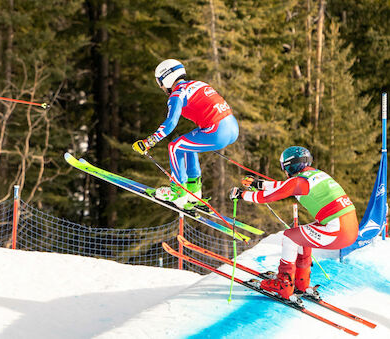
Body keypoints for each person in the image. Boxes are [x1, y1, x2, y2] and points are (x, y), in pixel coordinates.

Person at [229, 146, 359, 299]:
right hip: (349, 228)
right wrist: (258, 184)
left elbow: (267, 197)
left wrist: (241, 194)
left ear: (289, 166)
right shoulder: (317, 175)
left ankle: (283, 285)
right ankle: (301, 283)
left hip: (337, 231)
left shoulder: (298, 182)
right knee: (302, 237)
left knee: (290, 236)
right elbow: (284, 186)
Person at [132, 59, 239, 210]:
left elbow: (171, 123)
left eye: (160, 82)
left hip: (217, 131)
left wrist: (149, 142)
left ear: (167, 78)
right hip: (232, 127)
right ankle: (194, 192)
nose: (161, 87)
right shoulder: (198, 83)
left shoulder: (177, 94)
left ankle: (178, 193)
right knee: (185, 145)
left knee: (174, 147)